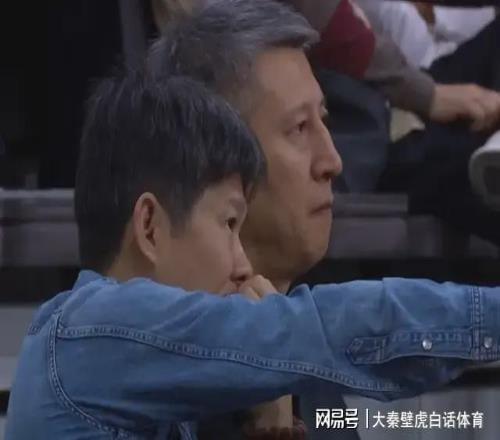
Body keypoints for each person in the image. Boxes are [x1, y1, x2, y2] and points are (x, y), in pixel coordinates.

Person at [6, 69, 500, 440]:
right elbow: (331, 326)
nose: (243, 265)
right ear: (150, 226)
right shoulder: (91, 332)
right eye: (228, 224)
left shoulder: (162, 381)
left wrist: (270, 422)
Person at [146, 0, 500, 437]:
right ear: (213, 161)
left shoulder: (306, 378)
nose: (332, 161)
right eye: (299, 128)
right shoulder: (152, 384)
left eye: (325, 122)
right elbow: (375, 316)